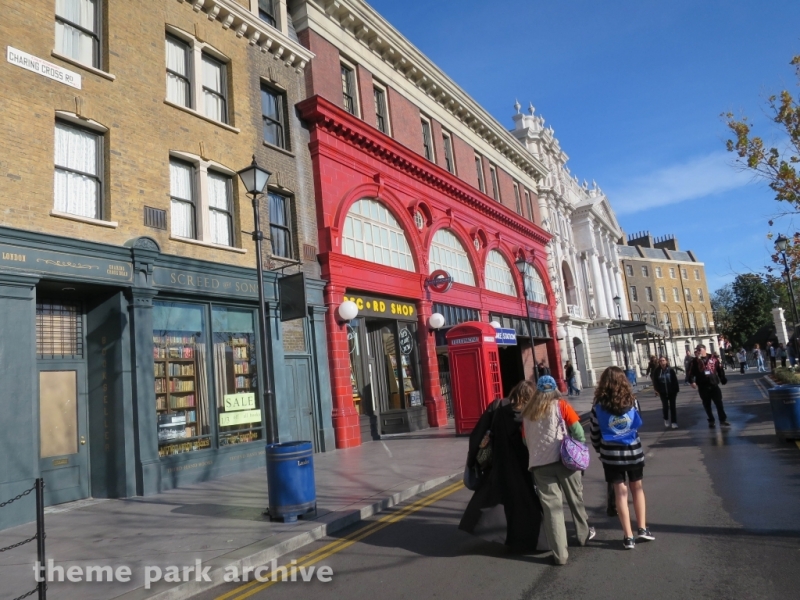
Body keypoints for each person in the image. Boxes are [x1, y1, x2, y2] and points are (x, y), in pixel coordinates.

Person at [459, 381, 543, 551]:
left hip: (500, 464)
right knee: (528, 502)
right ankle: (534, 540)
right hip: (527, 465)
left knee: (497, 502)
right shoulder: (534, 412)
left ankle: (498, 534)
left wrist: (472, 460)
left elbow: (477, 435)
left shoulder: (497, 406)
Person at [521, 376, 594, 565]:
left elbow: (525, 441)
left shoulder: (527, 412)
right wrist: (578, 448)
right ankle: (583, 535)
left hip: (539, 465)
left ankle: (560, 555)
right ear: (555, 390)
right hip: (565, 461)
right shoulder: (561, 405)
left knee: (552, 509)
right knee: (575, 499)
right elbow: (578, 431)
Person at [590, 366, 653, 550]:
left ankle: (628, 536)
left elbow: (594, 433)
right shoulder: (632, 402)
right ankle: (642, 528)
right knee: (637, 488)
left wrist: (600, 450)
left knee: (620, 493)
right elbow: (637, 425)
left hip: (611, 456)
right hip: (633, 451)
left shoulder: (597, 407)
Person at [688, 344, 730, 428]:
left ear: (704, 349)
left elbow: (719, 369)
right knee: (707, 405)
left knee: (719, 403)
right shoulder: (694, 361)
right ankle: (711, 420)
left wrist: (722, 378)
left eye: (700, 350)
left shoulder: (713, 358)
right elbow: (690, 372)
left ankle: (722, 420)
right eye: (697, 350)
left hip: (713, 384)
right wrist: (692, 381)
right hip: (703, 386)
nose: (698, 352)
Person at [652, 356, 680, 428]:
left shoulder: (670, 370)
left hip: (672, 391)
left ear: (666, 361)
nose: (662, 362)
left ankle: (674, 422)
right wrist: (657, 390)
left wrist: (675, 390)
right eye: (660, 361)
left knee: (673, 407)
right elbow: (655, 381)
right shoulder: (657, 371)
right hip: (663, 392)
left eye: (663, 360)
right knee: (665, 407)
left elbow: (675, 380)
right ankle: (666, 418)